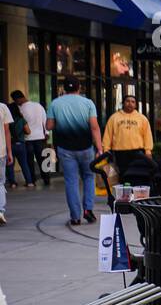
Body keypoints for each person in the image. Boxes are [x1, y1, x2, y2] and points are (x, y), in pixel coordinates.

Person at [46, 78, 103, 227]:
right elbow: (94, 127)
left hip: (65, 149)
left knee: (71, 182)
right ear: (79, 87)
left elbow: (49, 126)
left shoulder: (55, 103)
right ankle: (88, 209)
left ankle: (75, 217)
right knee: (89, 178)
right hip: (86, 148)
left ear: (64, 88)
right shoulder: (88, 103)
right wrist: (100, 149)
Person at [102, 94, 153, 181]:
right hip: (120, 152)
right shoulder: (114, 118)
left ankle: (135, 193)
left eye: (133, 102)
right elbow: (108, 135)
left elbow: (147, 136)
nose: (130, 104)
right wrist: (106, 150)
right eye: (127, 101)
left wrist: (148, 151)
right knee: (122, 176)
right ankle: (124, 194)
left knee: (137, 175)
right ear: (123, 103)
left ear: (136, 105)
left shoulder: (142, 118)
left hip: (138, 152)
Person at [13, 90, 50, 187]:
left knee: (29, 161)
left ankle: (32, 180)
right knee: (42, 159)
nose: (16, 103)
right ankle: (46, 179)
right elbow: (44, 119)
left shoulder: (20, 110)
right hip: (40, 137)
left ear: (18, 99)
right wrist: (46, 132)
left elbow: (21, 125)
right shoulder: (38, 106)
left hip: (27, 138)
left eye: (15, 100)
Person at [0, 98, 10, 223]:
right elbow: (7, 131)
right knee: (0, 182)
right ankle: (0, 211)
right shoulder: (2, 107)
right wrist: (10, 152)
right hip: (1, 151)